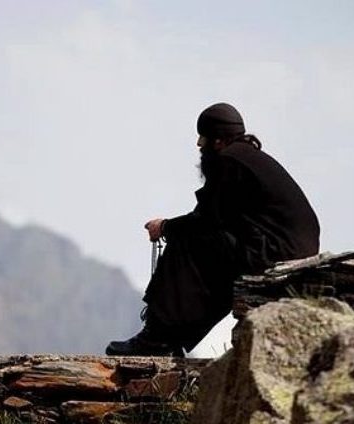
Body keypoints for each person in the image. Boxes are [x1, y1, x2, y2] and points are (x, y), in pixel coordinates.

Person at [106, 103, 320, 357]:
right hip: (286, 249)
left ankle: (156, 339)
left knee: (186, 243)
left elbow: (205, 220)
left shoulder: (229, 161)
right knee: (212, 251)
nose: (199, 144)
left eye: (203, 137)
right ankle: (168, 338)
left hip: (274, 251)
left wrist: (164, 227)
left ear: (218, 140)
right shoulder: (247, 158)